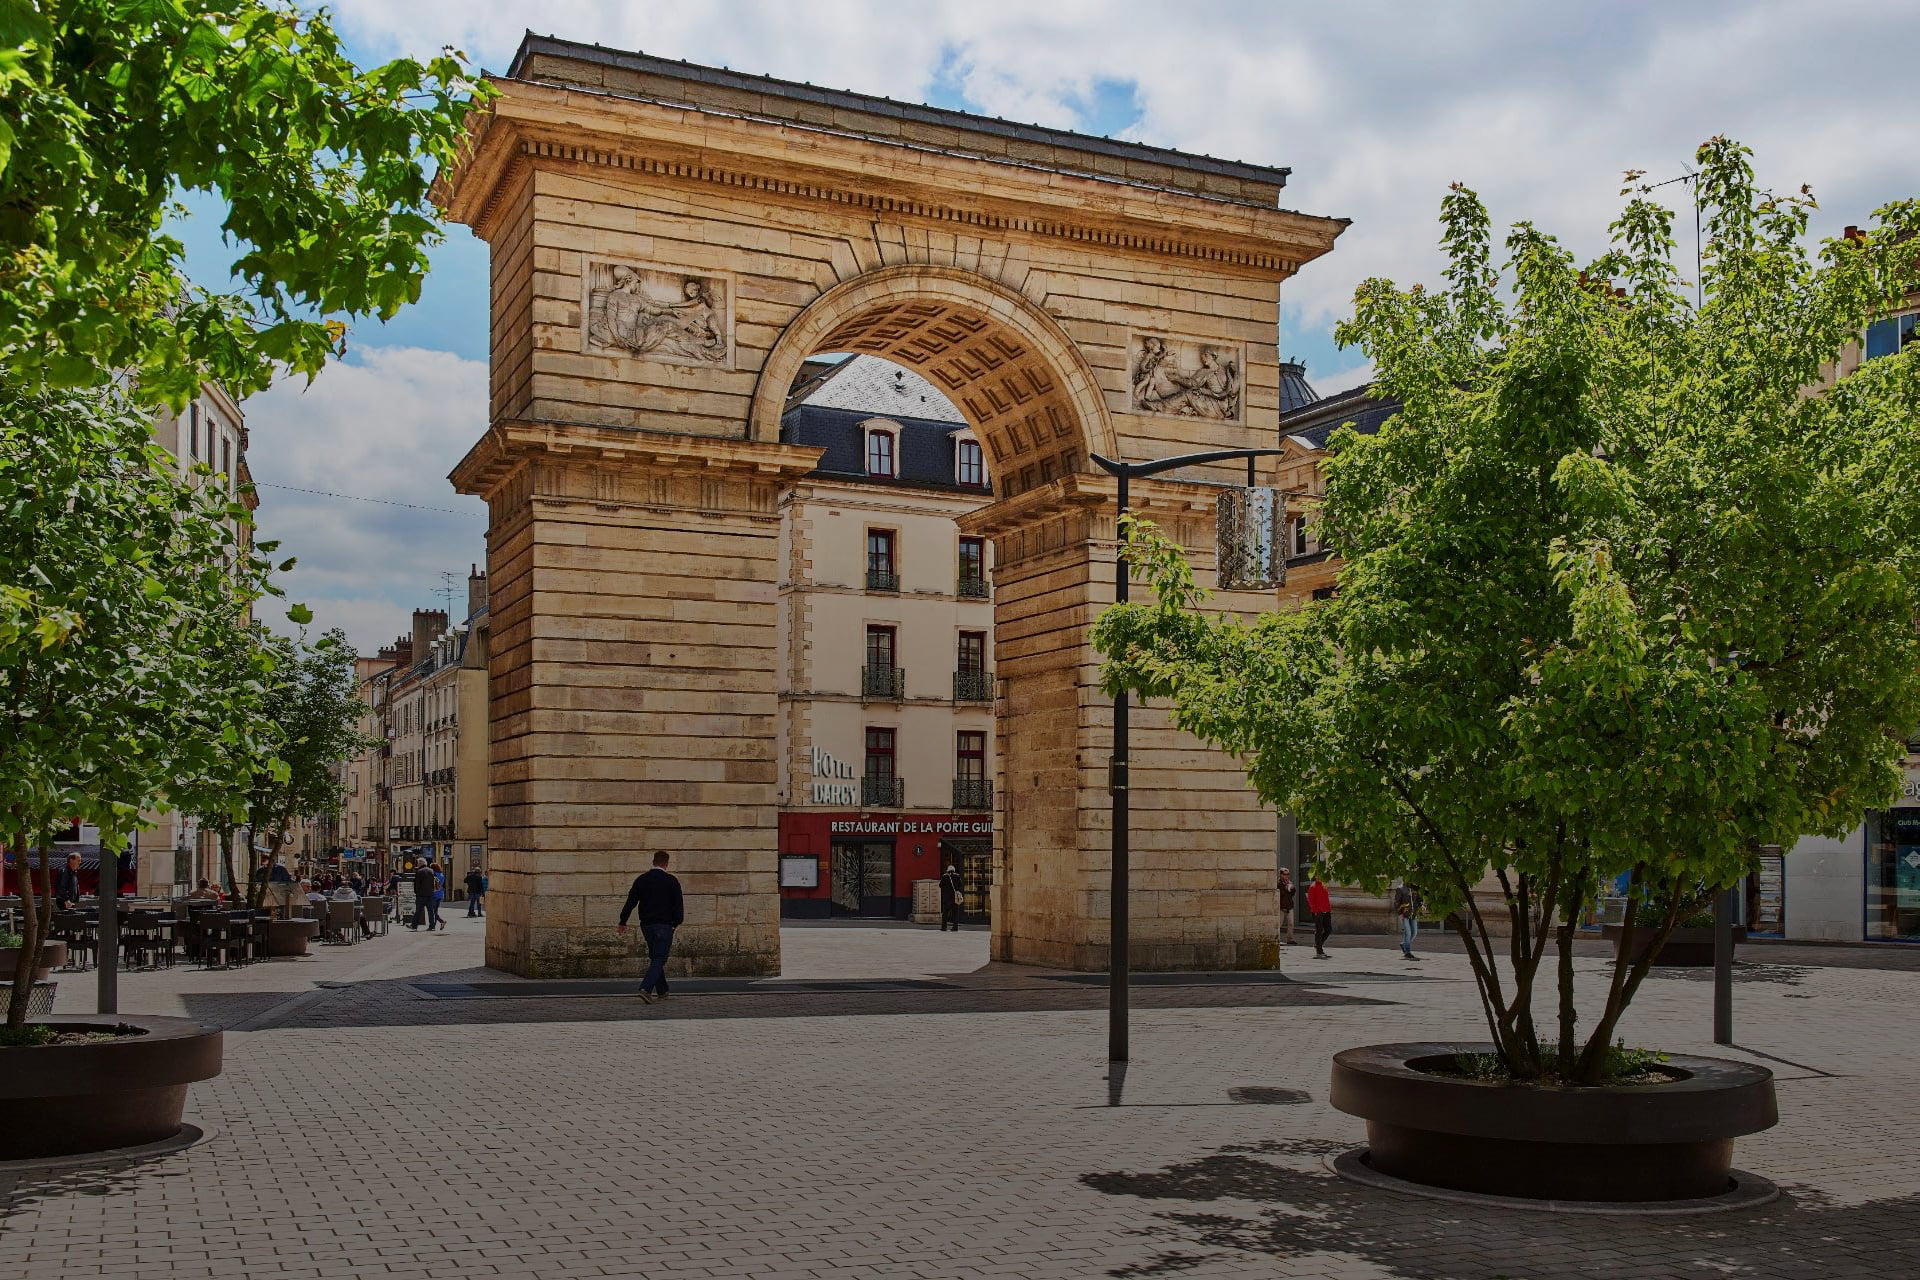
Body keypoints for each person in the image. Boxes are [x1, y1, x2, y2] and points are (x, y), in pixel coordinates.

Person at [616, 852, 684, 1003]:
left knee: (655, 957)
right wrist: (676, 923)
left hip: (647, 925)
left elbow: (631, 901)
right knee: (660, 958)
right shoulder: (671, 881)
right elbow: (678, 905)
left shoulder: (642, 879)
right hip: (664, 925)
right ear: (666, 863)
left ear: (653, 862)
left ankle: (662, 991)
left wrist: (623, 921)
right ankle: (646, 989)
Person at [1392, 880, 1422, 961]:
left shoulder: (1415, 888)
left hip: (1413, 914)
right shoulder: (1400, 888)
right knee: (1408, 932)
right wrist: (1399, 913)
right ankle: (1407, 952)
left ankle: (1404, 944)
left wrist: (1421, 905)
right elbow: (1396, 902)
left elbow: (1418, 899)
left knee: (1414, 932)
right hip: (1404, 914)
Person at [1306, 873, 1334, 959]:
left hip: (1326, 911)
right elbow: (1310, 900)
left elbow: (1326, 898)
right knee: (1319, 930)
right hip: (1318, 912)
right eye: (1318, 875)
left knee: (1328, 929)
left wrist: (1329, 909)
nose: (1320, 877)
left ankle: (1318, 944)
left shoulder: (1324, 885)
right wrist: (1315, 911)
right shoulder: (1313, 886)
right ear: (1316, 876)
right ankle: (1319, 951)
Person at [409, 860, 438, 931]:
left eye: (418, 863)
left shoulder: (419, 871)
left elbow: (417, 884)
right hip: (430, 894)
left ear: (420, 864)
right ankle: (432, 926)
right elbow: (435, 881)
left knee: (418, 911)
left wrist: (416, 892)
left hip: (421, 895)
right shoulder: (431, 871)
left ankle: (414, 925)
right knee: (430, 911)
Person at [937, 862, 964, 932]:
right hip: (955, 898)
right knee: (955, 913)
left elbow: (940, 885)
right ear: (954, 870)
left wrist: (945, 889)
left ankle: (944, 927)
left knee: (945, 914)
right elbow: (960, 885)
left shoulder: (944, 876)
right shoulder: (957, 876)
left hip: (946, 898)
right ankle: (955, 927)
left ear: (948, 870)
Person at [1277, 868, 1297, 946]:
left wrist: (1292, 888)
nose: (1286, 876)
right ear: (1281, 875)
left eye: (1287, 874)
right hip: (1281, 907)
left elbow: (1293, 893)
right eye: (1284, 874)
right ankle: (1276, 939)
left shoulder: (1289, 882)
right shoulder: (1278, 884)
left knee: (1291, 923)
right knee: (1279, 924)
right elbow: (1279, 896)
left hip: (1289, 906)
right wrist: (1285, 888)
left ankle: (1290, 939)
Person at [431, 863, 448, 931]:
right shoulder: (442, 875)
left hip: (434, 894)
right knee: (435, 910)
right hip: (440, 894)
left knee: (433, 911)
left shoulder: (433, 874)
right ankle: (437, 924)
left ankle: (439, 923)